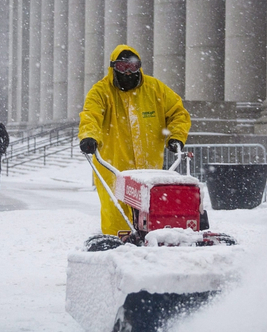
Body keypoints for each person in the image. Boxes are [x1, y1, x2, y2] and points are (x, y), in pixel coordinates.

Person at [79, 44, 191, 236]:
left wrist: (176, 137)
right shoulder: (101, 92)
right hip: (114, 170)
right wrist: (89, 136)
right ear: (113, 67)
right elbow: (91, 116)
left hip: (150, 171)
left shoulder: (155, 89)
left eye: (133, 66)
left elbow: (178, 113)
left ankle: (156, 243)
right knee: (117, 213)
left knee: (154, 211)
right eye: (123, 67)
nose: (129, 73)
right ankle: (117, 248)